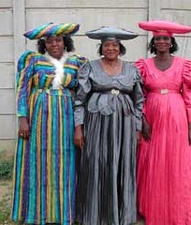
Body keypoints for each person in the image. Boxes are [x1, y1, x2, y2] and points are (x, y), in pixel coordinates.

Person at [11, 22, 87, 225]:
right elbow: (22, 89)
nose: (54, 43)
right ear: (44, 44)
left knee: (65, 162)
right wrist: (22, 118)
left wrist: (81, 124)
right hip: (38, 118)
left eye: (58, 39)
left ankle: (63, 212)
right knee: (38, 161)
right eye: (50, 40)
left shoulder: (76, 62)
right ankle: (37, 212)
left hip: (66, 117)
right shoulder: (33, 60)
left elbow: (82, 92)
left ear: (65, 42)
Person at [73, 26, 144, 225]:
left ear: (120, 48)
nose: (110, 48)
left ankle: (121, 214)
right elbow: (79, 99)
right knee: (97, 162)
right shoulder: (90, 67)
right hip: (97, 123)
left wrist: (137, 128)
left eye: (114, 45)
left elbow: (139, 100)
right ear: (101, 48)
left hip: (125, 123)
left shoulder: (131, 69)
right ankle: (95, 215)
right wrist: (78, 127)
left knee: (122, 163)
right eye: (106, 45)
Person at [135, 20, 191, 225]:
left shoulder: (184, 65)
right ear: (153, 42)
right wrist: (143, 120)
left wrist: (190, 125)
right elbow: (139, 95)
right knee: (151, 160)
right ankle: (151, 207)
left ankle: (177, 207)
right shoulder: (143, 65)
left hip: (177, 119)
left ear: (171, 41)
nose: (162, 41)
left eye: (165, 38)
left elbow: (189, 97)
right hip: (152, 118)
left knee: (175, 161)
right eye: (158, 39)